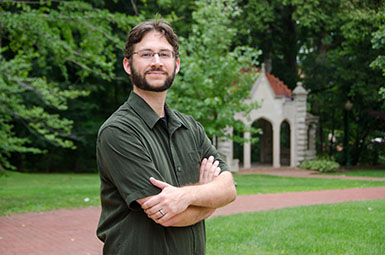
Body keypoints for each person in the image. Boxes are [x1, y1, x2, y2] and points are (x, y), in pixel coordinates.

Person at [96, 20, 236, 255]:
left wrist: (186, 195)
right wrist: (209, 197)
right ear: (128, 65)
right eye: (146, 54)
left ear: (176, 64)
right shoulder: (118, 131)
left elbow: (229, 189)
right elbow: (166, 215)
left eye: (164, 54)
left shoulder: (191, 128)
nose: (157, 62)